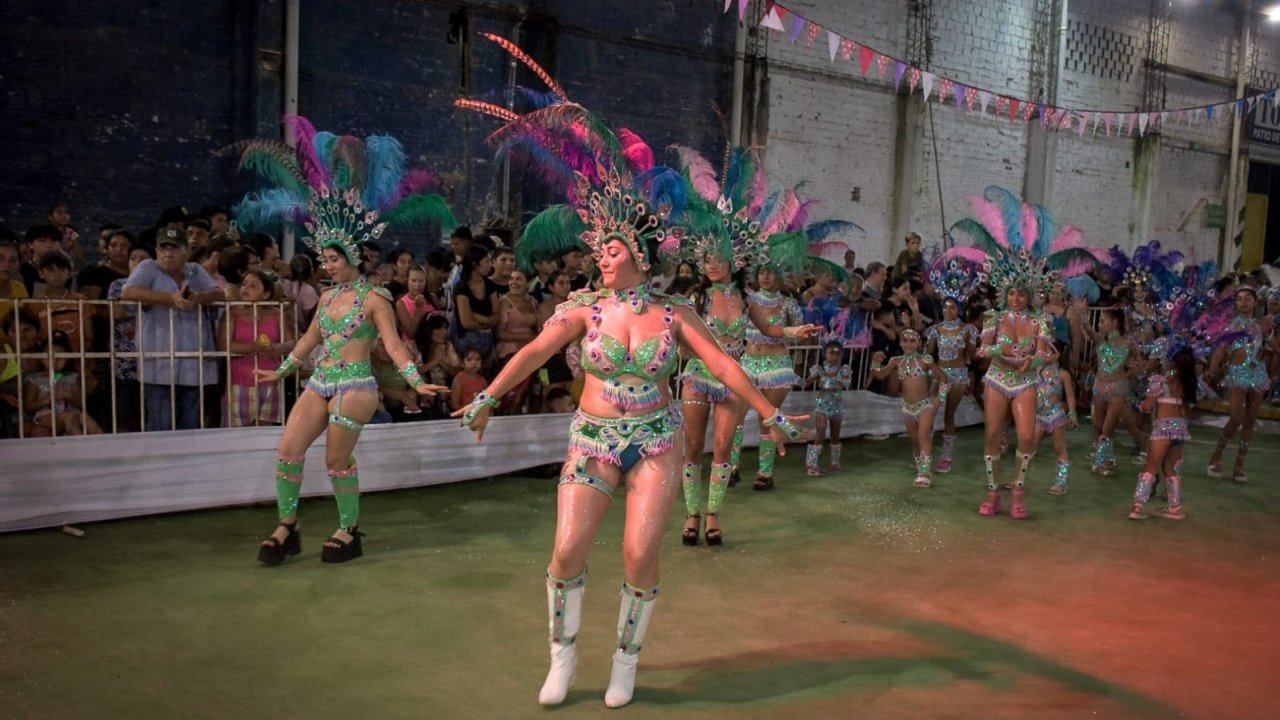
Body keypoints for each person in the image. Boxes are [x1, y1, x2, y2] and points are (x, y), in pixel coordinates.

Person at [455, 62, 811, 704]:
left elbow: (727, 366)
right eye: (600, 250)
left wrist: (771, 414)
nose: (601, 256)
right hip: (592, 437)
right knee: (566, 551)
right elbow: (534, 351)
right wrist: (485, 395)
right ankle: (561, 658)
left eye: (612, 249)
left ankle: (625, 661)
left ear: (639, 254)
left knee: (641, 556)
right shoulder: (581, 308)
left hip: (654, 440)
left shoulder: (676, 314)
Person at [232, 116, 452, 565]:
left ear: (352, 257)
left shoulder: (375, 298)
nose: (326, 265)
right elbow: (310, 338)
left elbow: (392, 345)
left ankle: (349, 530)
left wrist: (414, 380)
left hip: (356, 388)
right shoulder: (328, 296)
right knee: (288, 453)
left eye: (333, 258)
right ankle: (287, 527)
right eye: (323, 258)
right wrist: (284, 368)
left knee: (335, 462)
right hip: (321, 382)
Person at [947, 186, 1102, 518]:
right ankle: (992, 493)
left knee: (1028, 436)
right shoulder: (994, 317)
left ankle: (1018, 487)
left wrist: (1034, 359)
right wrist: (1000, 356)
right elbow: (982, 350)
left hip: (1027, 380)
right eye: (1013, 294)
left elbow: (1049, 353)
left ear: (1030, 294)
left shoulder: (1041, 320)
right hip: (997, 379)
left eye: (1022, 294)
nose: (1017, 299)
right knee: (991, 433)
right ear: (1006, 294)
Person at [121, 227, 224, 431]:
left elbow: (218, 293)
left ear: (186, 251)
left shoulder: (195, 270)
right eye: (163, 248)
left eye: (174, 248)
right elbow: (128, 291)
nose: (168, 253)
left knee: (191, 426)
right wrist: (171, 298)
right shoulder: (148, 267)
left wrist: (197, 298)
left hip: (194, 364)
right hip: (158, 362)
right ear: (157, 250)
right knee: (161, 425)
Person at [1206, 286, 1272, 482]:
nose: (1243, 302)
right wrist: (1212, 370)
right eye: (1239, 299)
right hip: (1237, 374)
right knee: (1236, 417)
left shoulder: (1261, 325)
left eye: (1247, 298)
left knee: (1250, 421)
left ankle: (1239, 465)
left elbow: (1268, 347)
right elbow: (1220, 350)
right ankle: (1216, 456)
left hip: (1258, 374)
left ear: (1255, 302)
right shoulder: (1230, 325)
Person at [1072, 302, 1146, 474]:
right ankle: (1109, 458)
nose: (1100, 324)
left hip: (1117, 389)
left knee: (1107, 428)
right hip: (1098, 387)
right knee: (1098, 426)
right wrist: (1082, 314)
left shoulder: (1128, 343)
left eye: (1103, 321)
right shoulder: (1100, 340)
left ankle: (1099, 463)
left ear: (1115, 323)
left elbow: (1140, 363)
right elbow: (1088, 328)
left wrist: (1131, 372)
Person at [870, 329, 949, 487]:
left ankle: (924, 472)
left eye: (912, 341)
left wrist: (938, 401)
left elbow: (944, 378)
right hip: (907, 408)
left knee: (923, 437)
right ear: (900, 343)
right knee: (914, 440)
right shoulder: (895, 361)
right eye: (904, 340)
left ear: (919, 343)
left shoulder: (925, 360)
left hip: (925, 406)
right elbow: (879, 375)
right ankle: (920, 464)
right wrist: (876, 362)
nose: (908, 344)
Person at [217, 270, 295, 427]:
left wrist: (279, 348)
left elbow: (292, 342)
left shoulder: (276, 314)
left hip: (270, 382)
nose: (246, 289)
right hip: (239, 382)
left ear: (266, 294)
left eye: (253, 286)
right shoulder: (233, 313)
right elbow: (224, 344)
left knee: (263, 436)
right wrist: (254, 347)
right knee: (237, 436)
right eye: (244, 284)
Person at [925, 257, 981, 473]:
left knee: (949, 415)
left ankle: (946, 456)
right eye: (945, 307)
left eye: (952, 308)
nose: (948, 311)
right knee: (929, 413)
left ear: (959, 309)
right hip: (939, 374)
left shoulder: (968, 330)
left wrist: (977, 349)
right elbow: (928, 356)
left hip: (958, 375)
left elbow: (972, 356)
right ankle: (925, 452)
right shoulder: (935, 330)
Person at [1130, 345, 1197, 520]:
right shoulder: (1187, 382)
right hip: (1180, 429)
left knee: (1151, 467)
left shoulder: (1161, 381)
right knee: (1169, 467)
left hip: (1163, 428)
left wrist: (1136, 405)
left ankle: (1138, 506)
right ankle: (1175, 508)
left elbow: (1147, 407)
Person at [24, 330, 101, 436]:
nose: (55, 361)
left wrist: (70, 396)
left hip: (72, 412)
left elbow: (81, 403)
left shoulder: (72, 377)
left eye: (60, 357)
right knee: (68, 419)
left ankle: (106, 446)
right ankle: (81, 448)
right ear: (41, 358)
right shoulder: (36, 380)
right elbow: (28, 406)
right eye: (50, 356)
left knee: (86, 419)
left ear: (67, 359)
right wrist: (47, 400)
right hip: (46, 415)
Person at [1034, 341, 1078, 495]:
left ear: (1057, 355)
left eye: (1048, 351)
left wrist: (1072, 413)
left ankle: (1061, 482)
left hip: (1056, 414)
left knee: (1059, 447)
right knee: (1028, 446)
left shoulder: (1063, 374)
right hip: (1039, 415)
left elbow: (1071, 396)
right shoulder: (1037, 370)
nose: (1044, 354)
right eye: (1043, 351)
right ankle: (1018, 480)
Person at [805, 340, 852, 475]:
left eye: (838, 353)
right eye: (831, 352)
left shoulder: (843, 369)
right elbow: (807, 382)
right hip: (822, 406)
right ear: (824, 354)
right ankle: (811, 465)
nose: (834, 355)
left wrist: (838, 379)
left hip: (837, 406)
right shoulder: (819, 369)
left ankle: (835, 463)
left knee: (835, 436)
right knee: (820, 435)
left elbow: (847, 383)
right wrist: (794, 379)